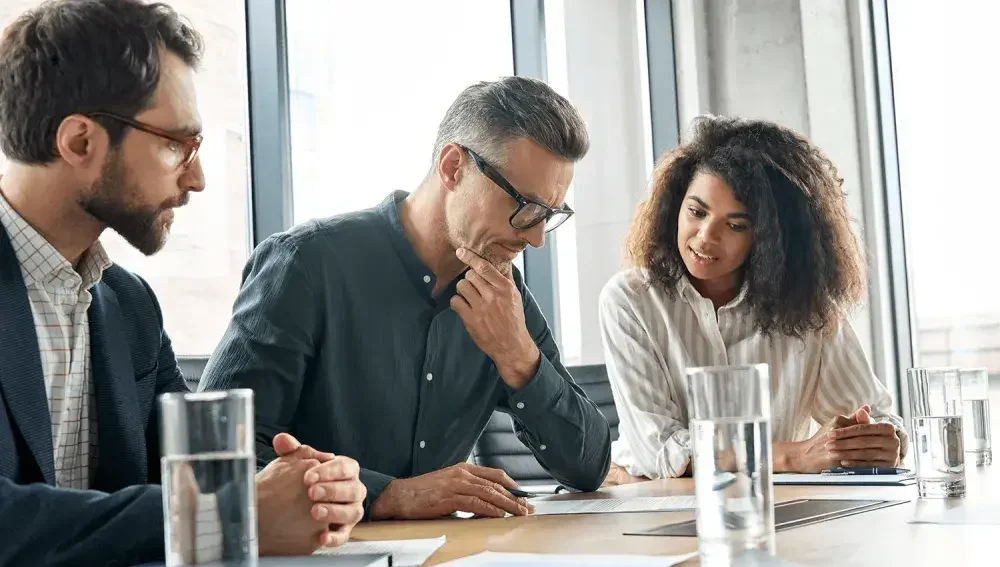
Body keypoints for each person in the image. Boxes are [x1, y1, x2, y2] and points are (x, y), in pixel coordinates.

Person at [0, 1, 364, 564]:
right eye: (177, 144)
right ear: (79, 142)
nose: (197, 179)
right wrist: (233, 512)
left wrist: (312, 491)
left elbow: (197, 478)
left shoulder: (130, 306)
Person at [199, 76, 612, 520]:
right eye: (524, 207)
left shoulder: (504, 297)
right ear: (454, 167)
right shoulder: (305, 264)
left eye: (548, 216)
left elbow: (587, 468)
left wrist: (518, 356)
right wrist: (389, 494)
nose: (535, 240)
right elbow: (215, 452)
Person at [599, 115, 907, 484]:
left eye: (735, 225)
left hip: (776, 504)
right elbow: (662, 452)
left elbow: (876, 415)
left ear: (769, 239)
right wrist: (794, 456)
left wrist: (876, 441)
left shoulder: (808, 308)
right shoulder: (630, 300)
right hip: (648, 498)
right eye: (696, 212)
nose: (705, 237)